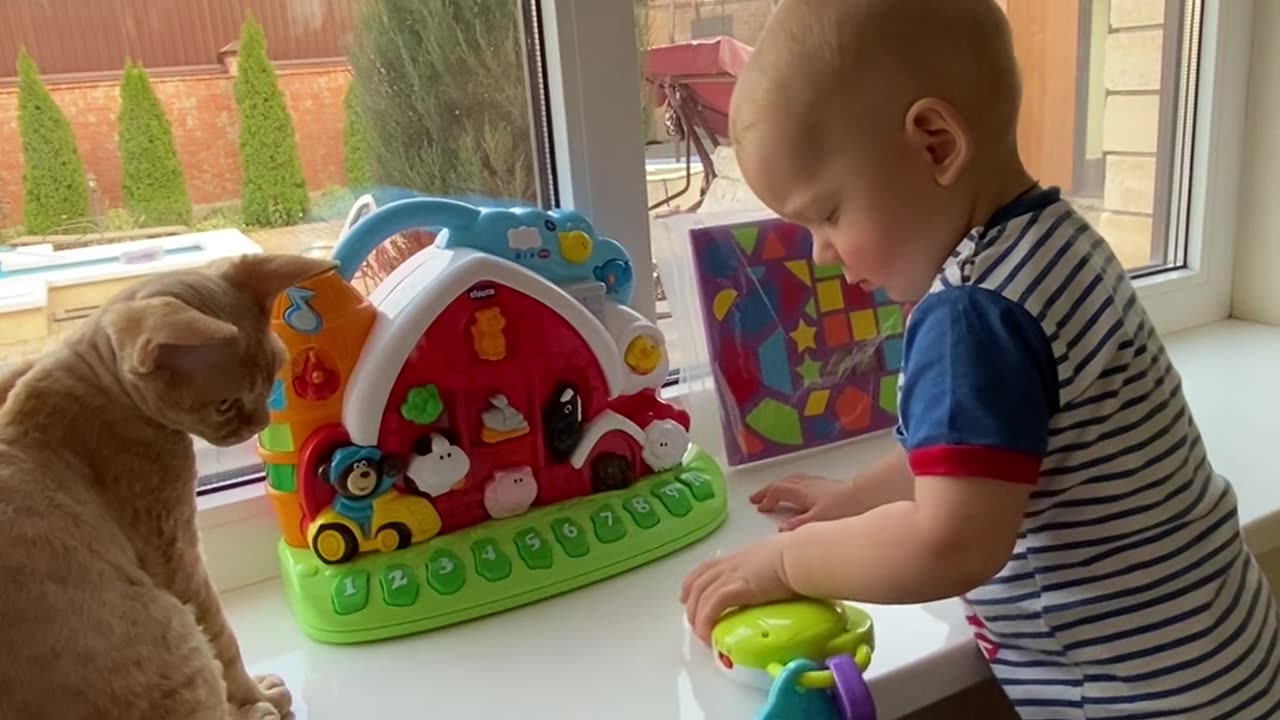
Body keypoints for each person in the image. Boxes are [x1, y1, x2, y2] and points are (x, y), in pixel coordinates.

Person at [679, 1, 1280, 717]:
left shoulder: (971, 312)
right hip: (1223, 655)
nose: (821, 252)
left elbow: (948, 542)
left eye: (829, 212)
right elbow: (968, 454)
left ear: (935, 145)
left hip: (1137, 698)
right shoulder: (1055, 239)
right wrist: (850, 506)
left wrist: (786, 562)